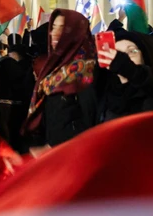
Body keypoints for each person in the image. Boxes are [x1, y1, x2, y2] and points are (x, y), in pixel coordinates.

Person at [24, 10, 98, 148]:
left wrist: (55, 147)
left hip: (75, 153)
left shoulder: (86, 70)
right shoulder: (53, 69)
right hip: (55, 152)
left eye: (62, 28)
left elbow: (90, 120)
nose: (54, 33)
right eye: (53, 27)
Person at [95, 30, 153, 122]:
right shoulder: (102, 90)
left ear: (145, 56)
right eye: (118, 53)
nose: (123, 58)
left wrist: (132, 70)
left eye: (132, 51)